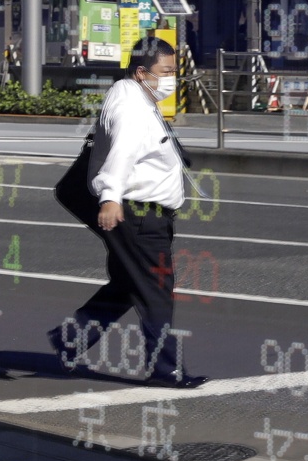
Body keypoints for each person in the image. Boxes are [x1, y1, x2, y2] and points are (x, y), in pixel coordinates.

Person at [64, 37, 206, 387]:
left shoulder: (135, 95)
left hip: (142, 213)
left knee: (131, 283)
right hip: (140, 215)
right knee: (156, 290)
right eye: (166, 71)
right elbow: (123, 152)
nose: (172, 78)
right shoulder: (131, 107)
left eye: (175, 71)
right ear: (142, 72)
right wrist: (111, 197)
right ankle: (165, 369)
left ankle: (71, 339)